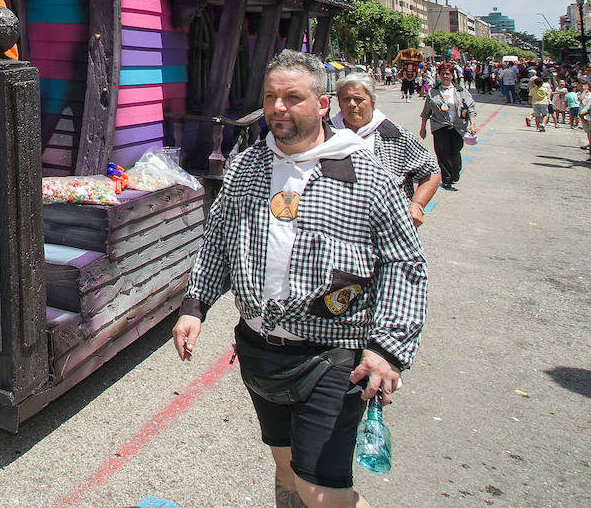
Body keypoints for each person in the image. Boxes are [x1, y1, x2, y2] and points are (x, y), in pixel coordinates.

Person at [172, 50, 426, 508]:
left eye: (293, 97)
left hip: (333, 354)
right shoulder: (248, 166)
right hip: (260, 351)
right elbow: (218, 239)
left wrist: (388, 349)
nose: (278, 108)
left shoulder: (364, 171)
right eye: (271, 97)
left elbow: (404, 262)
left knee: (320, 489)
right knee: (287, 470)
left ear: (323, 105)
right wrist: (196, 306)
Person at [332, 71, 442, 230]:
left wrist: (417, 205)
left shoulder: (394, 135)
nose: (351, 104)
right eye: (346, 99)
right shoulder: (323, 133)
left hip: (386, 227)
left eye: (359, 99)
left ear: (372, 102)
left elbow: (431, 172)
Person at [420, 62, 476, 190]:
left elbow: (471, 108)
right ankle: (446, 179)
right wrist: (423, 127)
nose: (445, 76)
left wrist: (472, 124)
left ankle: (455, 172)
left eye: (448, 74)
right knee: (442, 153)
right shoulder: (433, 92)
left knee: (455, 151)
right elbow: (426, 112)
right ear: (438, 75)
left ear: (452, 75)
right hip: (440, 126)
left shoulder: (460, 91)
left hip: (458, 127)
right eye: (442, 74)